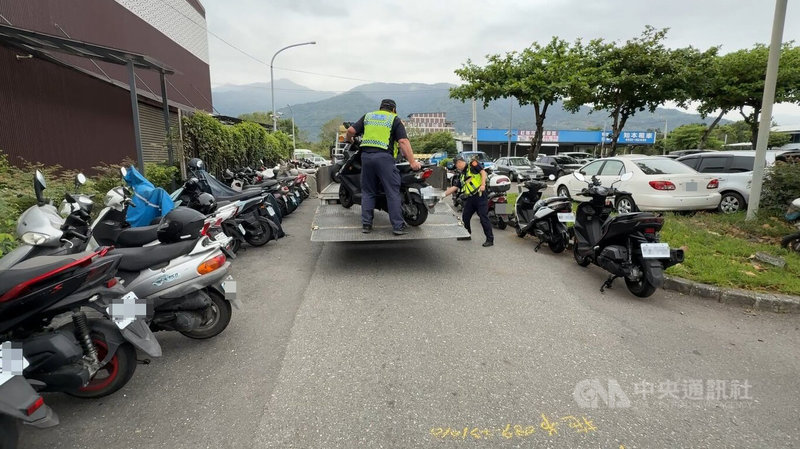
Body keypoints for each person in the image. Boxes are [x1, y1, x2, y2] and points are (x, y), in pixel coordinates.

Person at [346, 99, 421, 235]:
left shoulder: (368, 116)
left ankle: (367, 225)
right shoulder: (394, 119)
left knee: (368, 191)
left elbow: (351, 130)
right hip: (384, 158)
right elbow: (403, 141)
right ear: (393, 109)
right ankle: (398, 227)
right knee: (392, 192)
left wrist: (350, 140)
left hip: (366, 158)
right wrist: (412, 162)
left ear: (380, 108)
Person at [444, 156, 494, 247]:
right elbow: (455, 187)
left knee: (483, 218)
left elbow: (483, 172)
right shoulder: (462, 174)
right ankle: (467, 234)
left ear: (459, 162)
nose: (457, 167)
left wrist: (483, 184)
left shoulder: (473, 164)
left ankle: (490, 239)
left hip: (480, 196)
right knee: (465, 216)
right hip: (471, 198)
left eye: (456, 165)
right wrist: (443, 195)